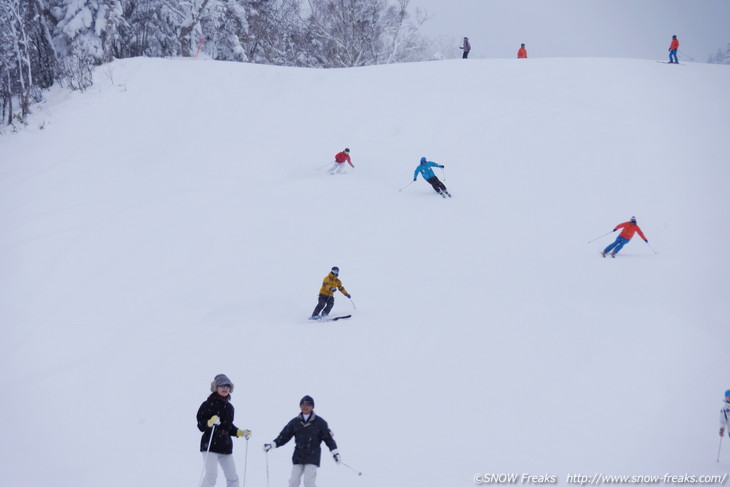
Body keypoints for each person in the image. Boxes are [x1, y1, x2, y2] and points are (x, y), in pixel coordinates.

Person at [263, 396, 340, 487]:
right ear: (300, 406)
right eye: (303, 404)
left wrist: (335, 452)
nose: (305, 406)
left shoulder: (320, 422)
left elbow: (328, 439)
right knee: (293, 482)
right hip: (298, 456)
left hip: (312, 456)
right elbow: (284, 436)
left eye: (308, 404)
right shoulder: (295, 422)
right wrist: (272, 445)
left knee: (308, 482)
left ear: (312, 407)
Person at [197, 374, 252, 487]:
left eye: (227, 386)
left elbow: (228, 426)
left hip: (225, 446)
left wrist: (240, 432)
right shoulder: (207, 404)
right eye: (222, 385)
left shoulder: (230, 408)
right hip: (210, 444)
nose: (225, 388)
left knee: (232, 477)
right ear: (216, 387)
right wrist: (209, 422)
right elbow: (200, 424)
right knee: (211, 475)